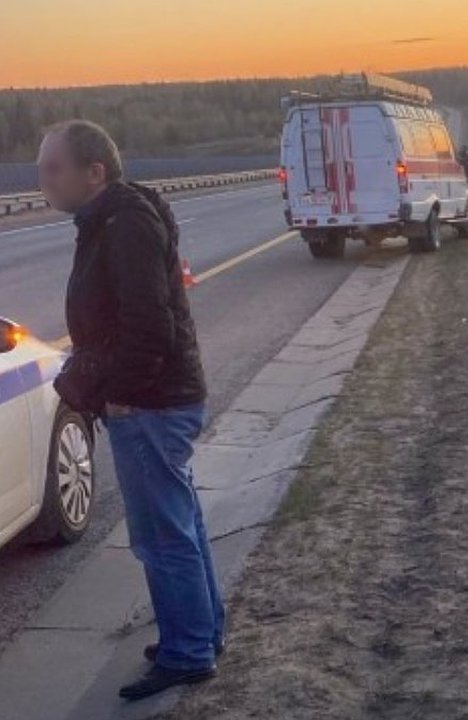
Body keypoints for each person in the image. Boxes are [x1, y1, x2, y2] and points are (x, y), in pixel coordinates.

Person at [37, 119, 225, 701]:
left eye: (53, 168)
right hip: (158, 398)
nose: (44, 180)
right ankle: (199, 633)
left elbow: (151, 327)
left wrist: (120, 391)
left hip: (150, 403)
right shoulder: (112, 219)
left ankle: (188, 652)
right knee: (181, 524)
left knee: (162, 536)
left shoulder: (123, 226)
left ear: (94, 172)